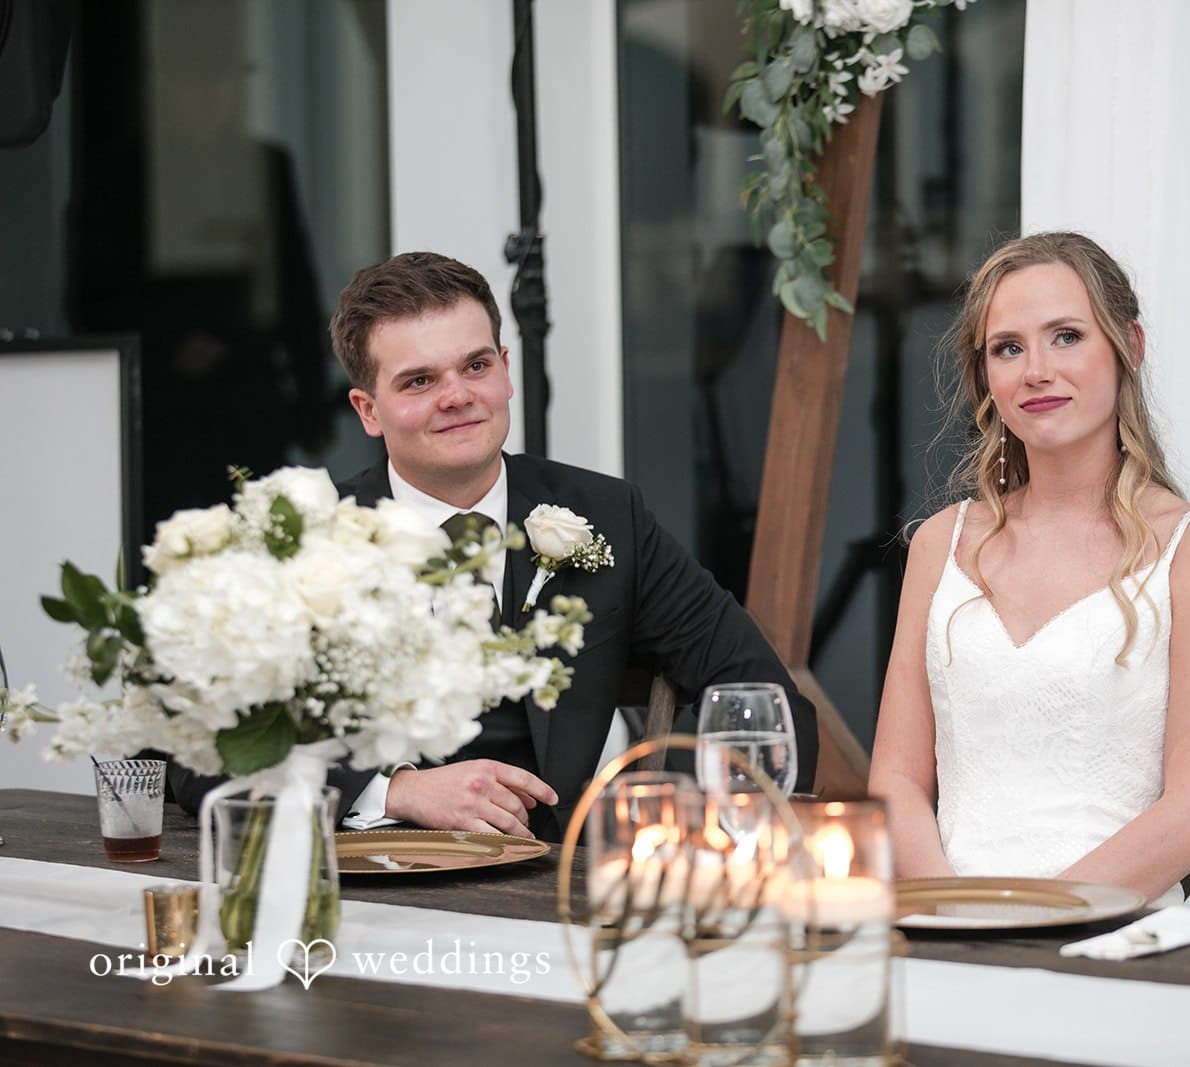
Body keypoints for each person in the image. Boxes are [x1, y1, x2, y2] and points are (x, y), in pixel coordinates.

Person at [169, 252, 817, 841]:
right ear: (368, 410)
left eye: (475, 365)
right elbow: (196, 750)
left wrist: (643, 801)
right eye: (419, 381)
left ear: (505, 370)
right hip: (375, 889)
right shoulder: (306, 539)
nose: (457, 397)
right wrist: (395, 789)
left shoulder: (606, 515)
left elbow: (768, 702)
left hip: (572, 882)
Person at [867, 233, 1190, 904]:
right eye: (1008, 348)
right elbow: (894, 780)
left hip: (1110, 934)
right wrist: (954, 911)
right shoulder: (940, 543)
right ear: (985, 374)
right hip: (946, 927)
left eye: (1066, 336)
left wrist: (1029, 919)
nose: (1036, 370)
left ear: (1128, 346)